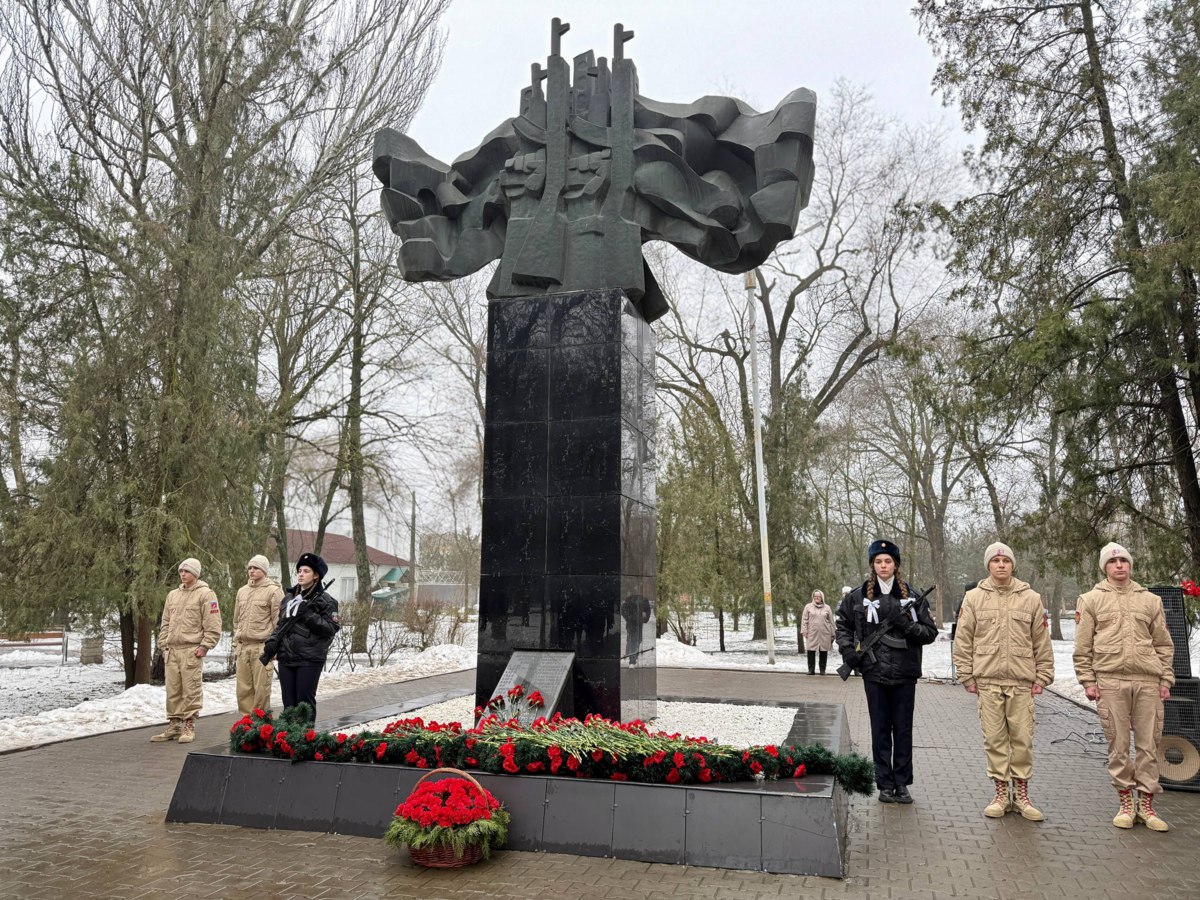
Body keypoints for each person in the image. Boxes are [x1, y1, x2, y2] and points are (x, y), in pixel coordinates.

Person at [1074, 542, 1175, 832]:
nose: (1119, 565)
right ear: (1105, 567)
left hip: (1147, 682)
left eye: (1123, 560)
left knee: (1149, 745)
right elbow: (1083, 647)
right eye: (1113, 561)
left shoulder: (1150, 601)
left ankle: (1146, 805)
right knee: (1118, 746)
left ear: (1130, 565)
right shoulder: (1090, 600)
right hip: (1110, 681)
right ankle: (1125, 804)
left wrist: (1165, 679)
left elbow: (1163, 644)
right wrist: (1088, 681)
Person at [953, 543, 1053, 821]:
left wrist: (1043, 676)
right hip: (988, 681)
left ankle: (1021, 795)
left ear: (1013, 565)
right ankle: (1000, 794)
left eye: (1005, 560)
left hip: (1021, 681)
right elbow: (963, 640)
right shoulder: (973, 598)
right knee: (995, 740)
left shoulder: (1030, 598)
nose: (1001, 565)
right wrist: (967, 675)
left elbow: (1041, 641)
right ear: (988, 565)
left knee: (1022, 740)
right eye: (995, 560)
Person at [835, 539, 938, 804]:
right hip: (874, 673)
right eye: (878, 561)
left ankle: (902, 783)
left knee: (902, 730)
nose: (883, 565)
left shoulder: (912, 597)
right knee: (880, 729)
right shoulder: (858, 596)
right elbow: (843, 625)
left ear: (896, 564)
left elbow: (929, 633)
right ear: (872, 565)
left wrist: (907, 626)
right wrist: (848, 651)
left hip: (905, 673)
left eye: (888, 561)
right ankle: (884, 784)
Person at [261, 553, 340, 723]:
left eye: (306, 571)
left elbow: (330, 629)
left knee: (304, 704)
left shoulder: (326, 601)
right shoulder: (289, 598)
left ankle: (305, 740)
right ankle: (288, 740)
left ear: (316, 575)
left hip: (309, 659)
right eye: (299, 571)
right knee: (289, 704)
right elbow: (281, 624)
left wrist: (309, 615)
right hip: (286, 658)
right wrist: (272, 641)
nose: (301, 574)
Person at [150, 558, 221, 744]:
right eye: (181, 571)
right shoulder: (172, 595)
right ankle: (174, 724)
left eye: (187, 571)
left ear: (195, 574)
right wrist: (163, 643)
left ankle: (189, 725)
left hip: (191, 649)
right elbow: (166, 621)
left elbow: (213, 624)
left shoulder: (206, 594)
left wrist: (205, 645)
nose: (183, 574)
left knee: (191, 689)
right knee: (172, 689)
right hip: (172, 650)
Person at [232, 554, 284, 716]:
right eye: (250, 568)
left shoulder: (274, 591)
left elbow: (279, 623)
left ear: (264, 570)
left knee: (261, 691)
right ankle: (246, 727)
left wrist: (273, 648)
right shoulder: (242, 591)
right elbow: (236, 620)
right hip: (243, 648)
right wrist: (236, 642)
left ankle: (260, 727)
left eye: (256, 568)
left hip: (262, 647)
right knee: (243, 690)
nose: (252, 571)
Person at [801, 590, 835, 675]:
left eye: (818, 596)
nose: (816, 598)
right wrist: (804, 630)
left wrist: (833, 633)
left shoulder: (827, 608)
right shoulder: (808, 607)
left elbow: (831, 621)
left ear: (822, 597)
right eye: (815, 596)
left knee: (823, 651)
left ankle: (822, 670)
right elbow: (804, 620)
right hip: (812, 633)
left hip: (825, 633)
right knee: (811, 651)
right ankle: (811, 670)